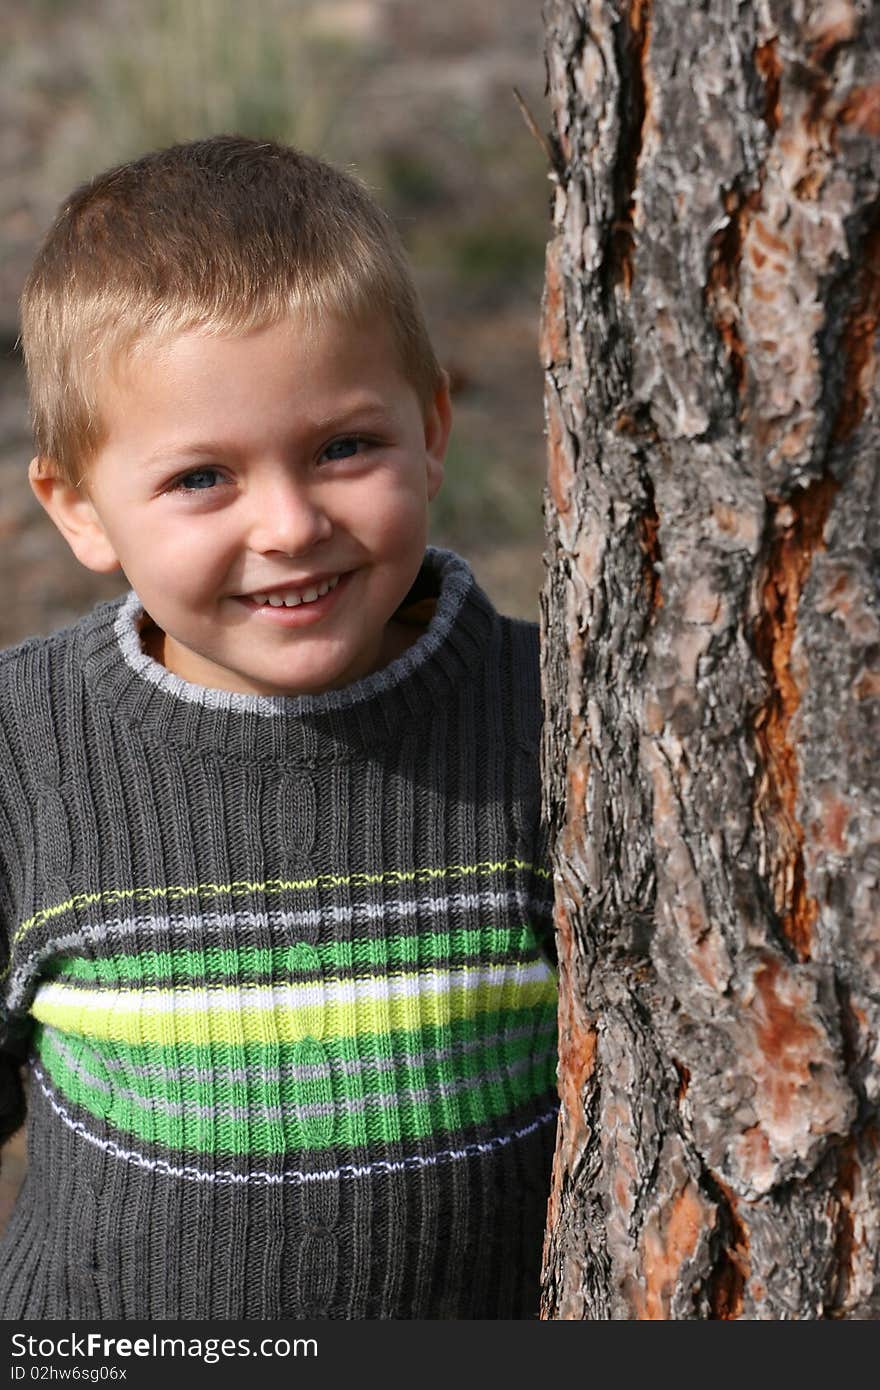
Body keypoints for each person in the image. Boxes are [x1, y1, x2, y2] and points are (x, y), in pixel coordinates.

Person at [0, 136, 558, 1320]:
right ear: (80, 510)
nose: (291, 524)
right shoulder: (25, 751)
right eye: (203, 477)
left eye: (344, 447)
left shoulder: (550, 717)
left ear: (435, 428)